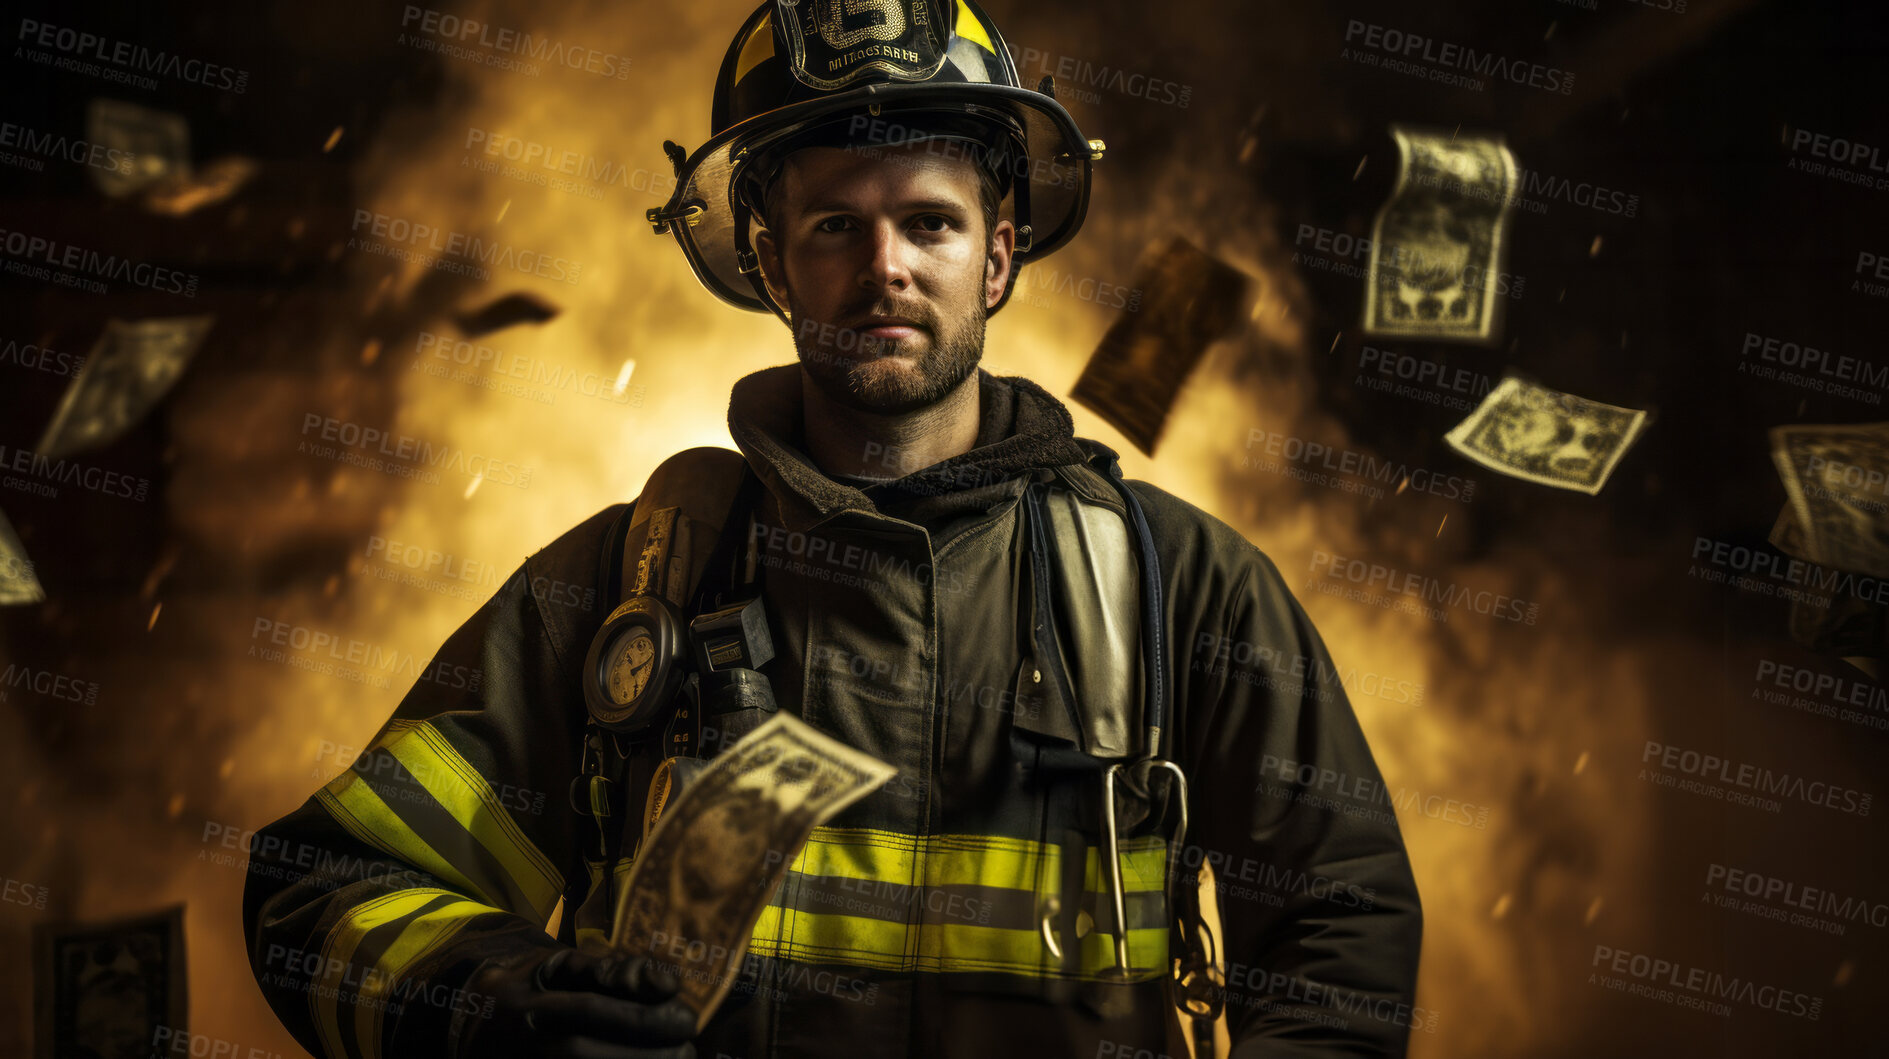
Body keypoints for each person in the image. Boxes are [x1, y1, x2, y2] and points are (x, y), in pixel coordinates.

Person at [242, 2, 1422, 1057]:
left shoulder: (1180, 589)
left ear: (998, 255)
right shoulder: (629, 584)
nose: (885, 268)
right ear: (767, 262)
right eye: (831, 229)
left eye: (931, 224)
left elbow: (1339, 928)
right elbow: (329, 890)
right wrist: (487, 1002)